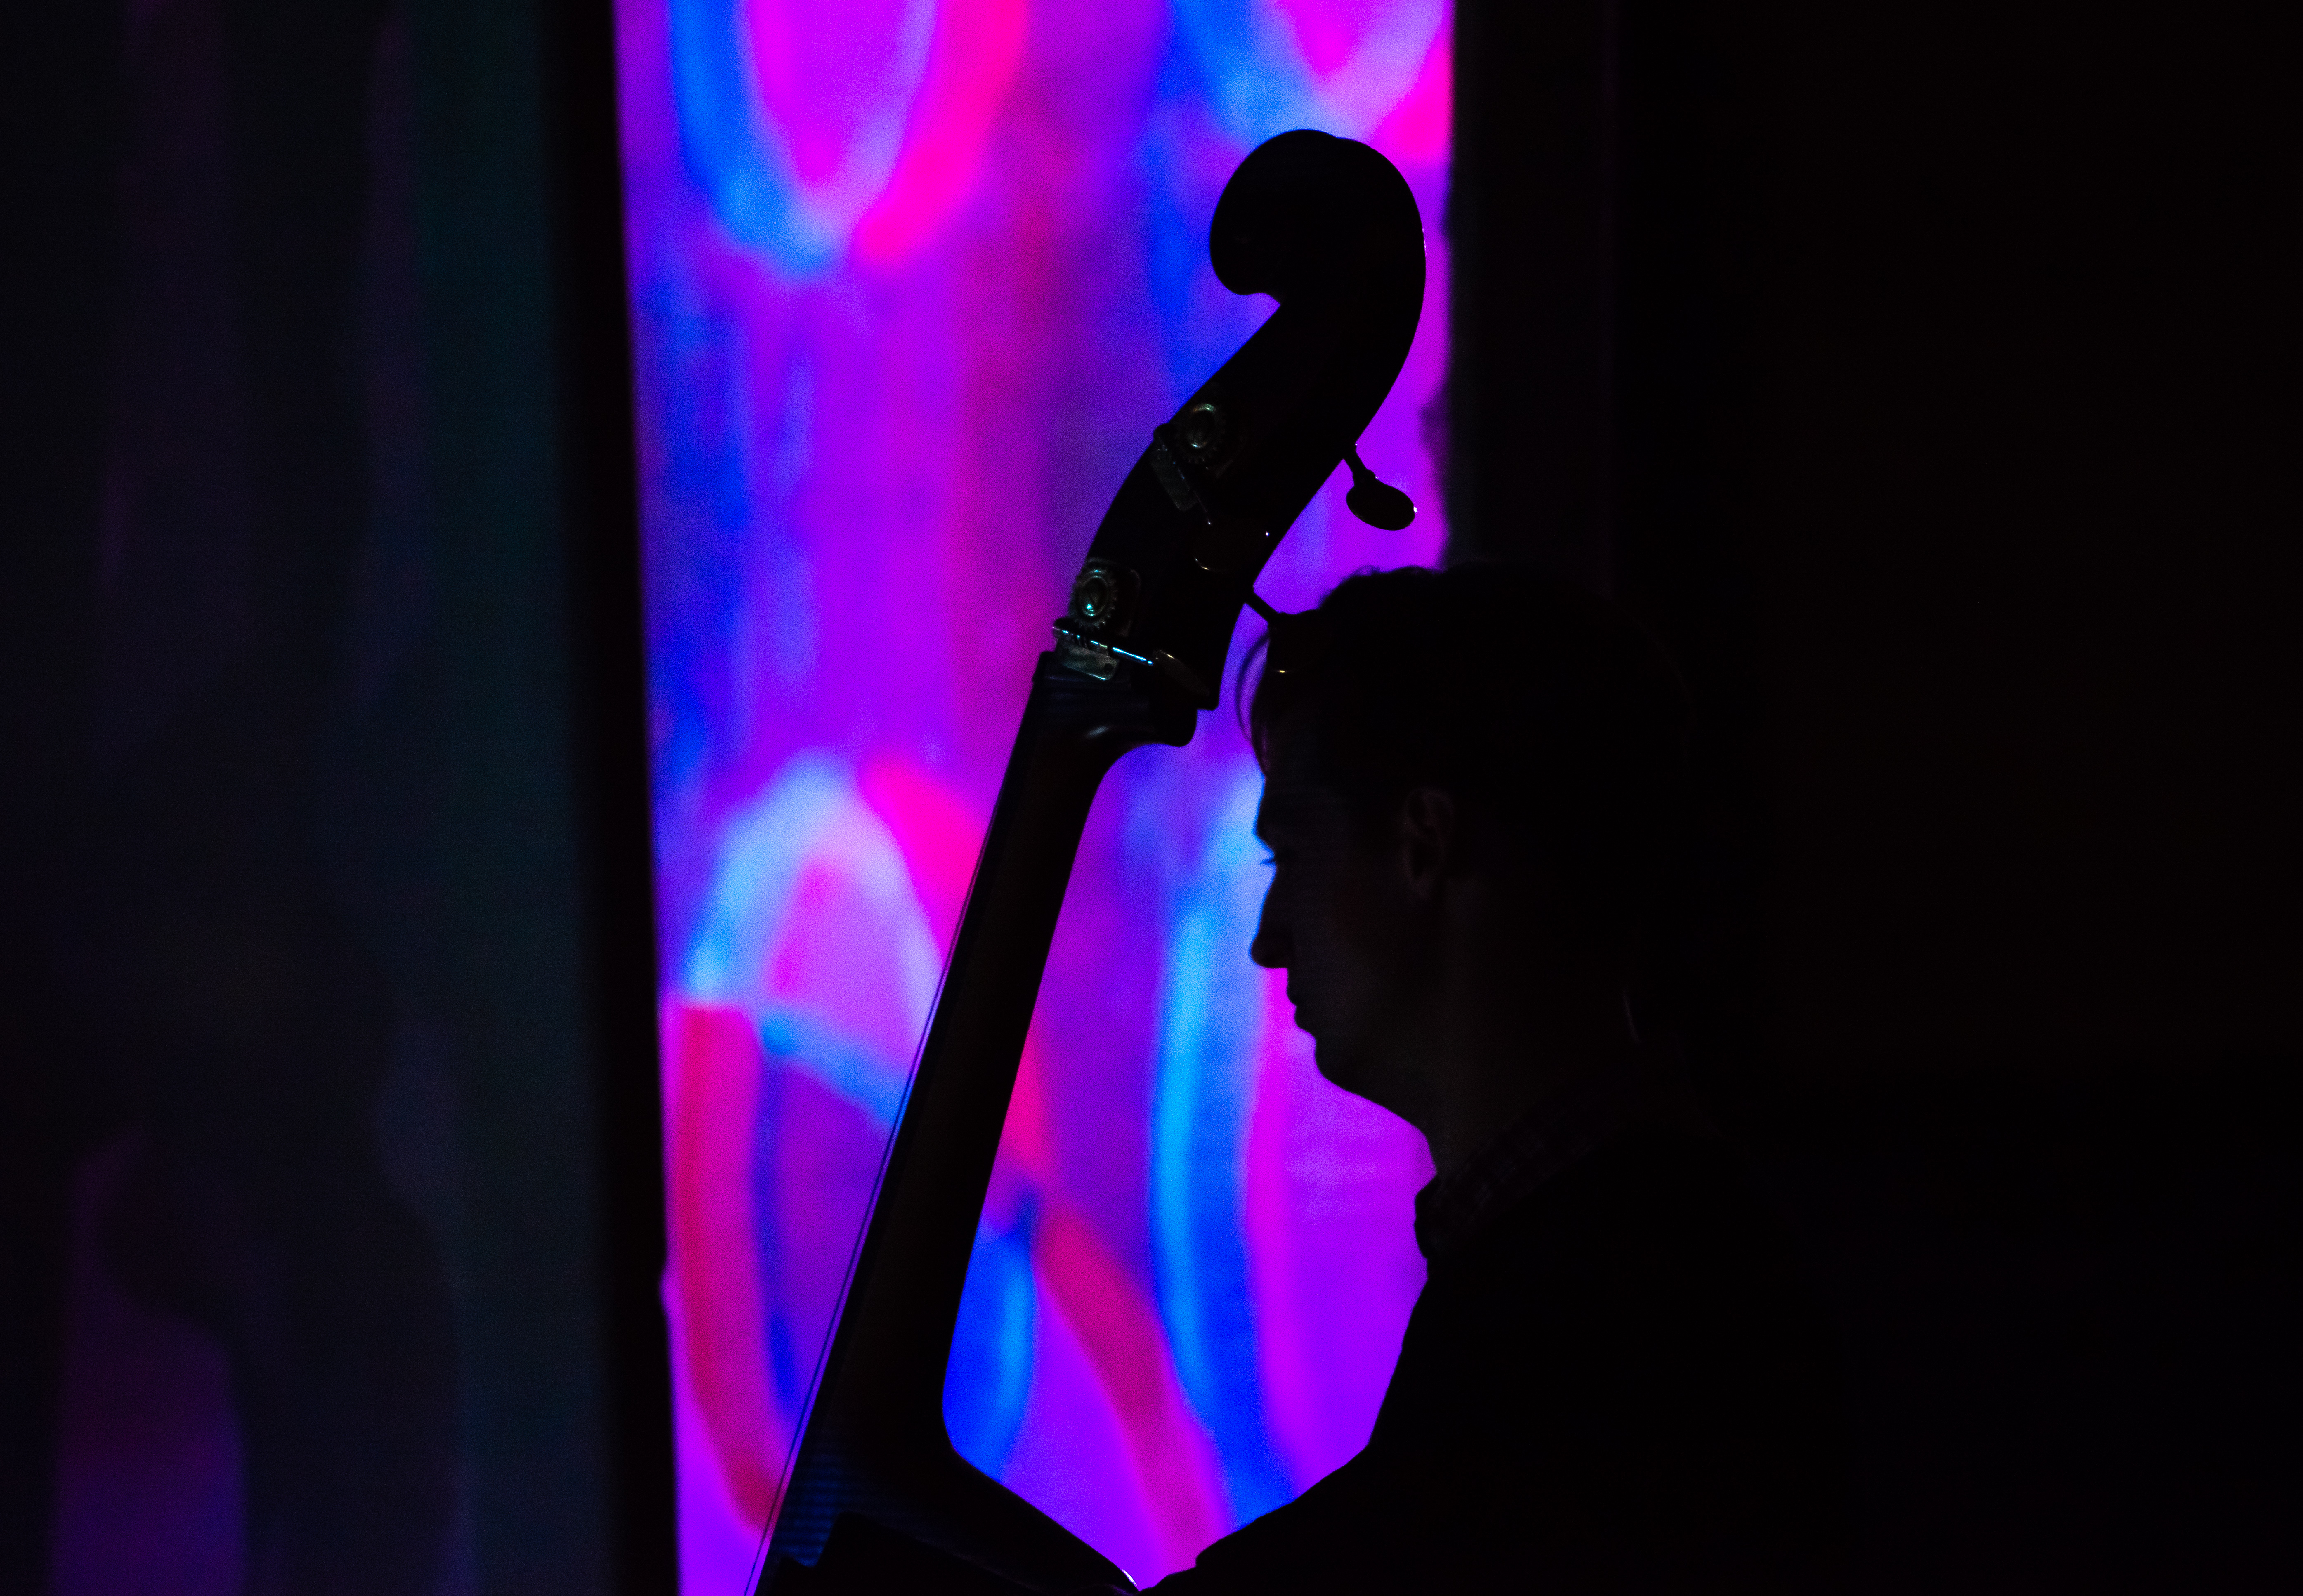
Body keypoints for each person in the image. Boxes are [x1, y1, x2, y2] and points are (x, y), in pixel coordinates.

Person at [1148, 564, 1849, 1593]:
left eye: (1290, 856)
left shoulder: (1610, 1309)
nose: (1266, 938)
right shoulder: (1646, 1249)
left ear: (1424, 846)